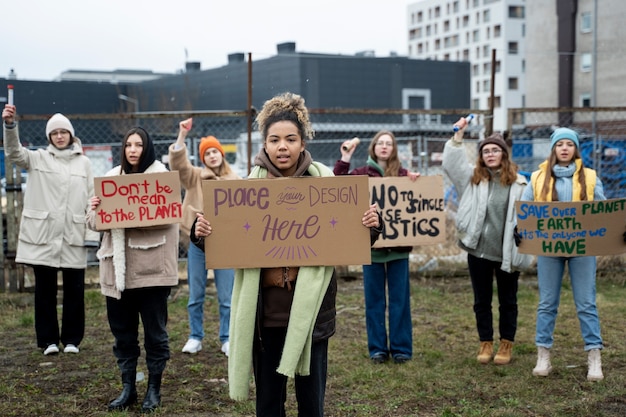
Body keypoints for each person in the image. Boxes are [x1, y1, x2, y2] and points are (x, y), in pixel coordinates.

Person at [192, 92, 382, 417]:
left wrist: (372, 224)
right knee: (269, 404)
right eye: (275, 139)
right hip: (266, 315)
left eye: (290, 139)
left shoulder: (327, 184)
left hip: (312, 314)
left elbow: (353, 233)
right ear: (264, 144)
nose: (283, 147)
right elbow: (224, 241)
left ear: (302, 142)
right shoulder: (244, 190)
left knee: (311, 403)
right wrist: (202, 233)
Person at [86, 127, 179, 412]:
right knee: (122, 334)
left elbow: (167, 216)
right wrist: (95, 209)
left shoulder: (161, 180)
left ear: (147, 147)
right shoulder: (111, 180)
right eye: (128, 145)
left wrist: (128, 211)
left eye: (139, 144)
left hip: (152, 272)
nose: (133, 149)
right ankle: (128, 388)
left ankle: (154, 389)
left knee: (155, 334)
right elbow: (92, 224)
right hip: (116, 271)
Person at [2, 104, 95, 356]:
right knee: (45, 290)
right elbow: (13, 152)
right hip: (42, 236)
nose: (60, 136)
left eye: (64, 132)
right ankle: (48, 341)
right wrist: (10, 126)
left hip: (73, 234)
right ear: (49, 137)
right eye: (55, 133)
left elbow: (92, 198)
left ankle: (73, 340)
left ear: (71, 135)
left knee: (75, 290)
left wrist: (92, 234)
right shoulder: (37, 158)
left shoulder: (84, 163)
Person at [442, 123, 533, 365]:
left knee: (508, 300)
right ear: (481, 156)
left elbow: (531, 215)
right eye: (486, 151)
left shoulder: (520, 184)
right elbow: (452, 164)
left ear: (504, 154)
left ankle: (506, 344)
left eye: (495, 150)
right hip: (478, 250)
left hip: (506, 252)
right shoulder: (473, 179)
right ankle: (485, 342)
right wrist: (457, 137)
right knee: (481, 300)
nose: (490, 154)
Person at [519, 127, 605, 381]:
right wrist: (519, 230)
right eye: (560, 144)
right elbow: (524, 210)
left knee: (586, 302)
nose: (564, 148)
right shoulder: (537, 178)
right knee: (547, 303)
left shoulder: (590, 177)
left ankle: (594, 356)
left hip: (582, 248)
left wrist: (616, 230)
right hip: (549, 249)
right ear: (554, 149)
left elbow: (602, 210)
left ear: (575, 149)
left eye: (569, 144)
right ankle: (543, 354)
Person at [333, 130, 420, 364]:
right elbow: (337, 184)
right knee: (374, 300)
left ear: (393, 148)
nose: (384, 147)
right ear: (373, 147)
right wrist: (346, 158)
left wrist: (417, 181)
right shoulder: (361, 174)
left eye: (388, 143)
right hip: (371, 249)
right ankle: (378, 349)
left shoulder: (403, 175)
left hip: (399, 250)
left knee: (400, 301)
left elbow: (418, 197)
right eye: (380, 143)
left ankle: (401, 348)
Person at [168, 120, 240, 356]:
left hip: (227, 244)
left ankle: (227, 337)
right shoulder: (194, 177)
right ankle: (195, 336)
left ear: (221, 154)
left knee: (227, 296)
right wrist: (181, 135)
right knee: (195, 293)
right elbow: (178, 164)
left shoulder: (234, 179)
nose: (211, 156)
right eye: (207, 153)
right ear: (203, 158)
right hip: (198, 245)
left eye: (215, 151)